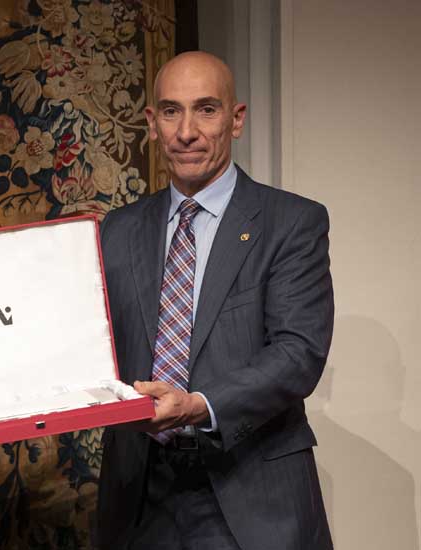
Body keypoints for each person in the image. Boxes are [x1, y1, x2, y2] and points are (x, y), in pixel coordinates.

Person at [95, 52, 334, 549]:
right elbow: (79, 343)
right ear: (151, 124)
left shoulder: (291, 223)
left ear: (236, 119)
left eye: (205, 109)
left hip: (248, 493)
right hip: (140, 497)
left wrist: (199, 405)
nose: (186, 131)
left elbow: (297, 354)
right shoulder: (116, 231)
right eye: (170, 111)